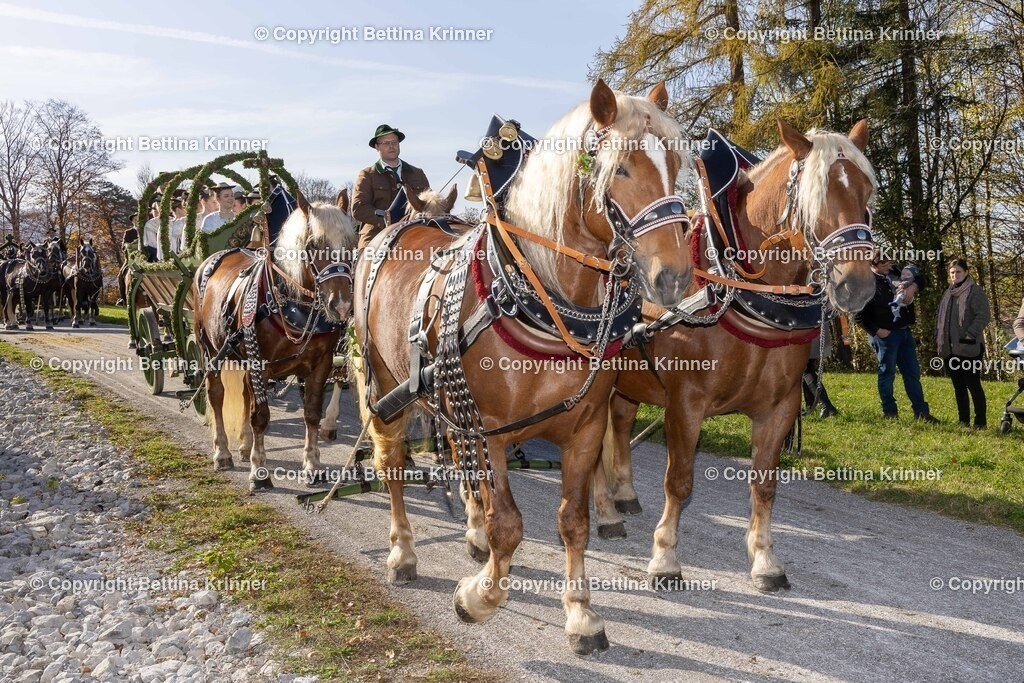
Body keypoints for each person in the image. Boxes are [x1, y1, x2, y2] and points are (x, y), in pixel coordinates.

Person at [853, 254, 938, 422]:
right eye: (883, 263)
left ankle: (921, 412)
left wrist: (913, 287)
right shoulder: (865, 283)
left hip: (905, 331)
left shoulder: (896, 272)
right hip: (885, 336)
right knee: (887, 374)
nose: (889, 265)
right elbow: (858, 316)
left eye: (889, 261)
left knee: (912, 373)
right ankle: (890, 412)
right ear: (873, 264)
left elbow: (921, 277)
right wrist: (877, 331)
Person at [352, 124, 430, 249]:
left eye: (394, 142)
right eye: (385, 143)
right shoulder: (367, 175)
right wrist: (384, 217)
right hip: (376, 233)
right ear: (377, 147)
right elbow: (358, 208)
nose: (391, 146)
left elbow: (429, 204)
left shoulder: (417, 173)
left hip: (416, 231)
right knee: (365, 256)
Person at [936, 259, 991, 428]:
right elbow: (940, 319)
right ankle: (963, 421)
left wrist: (970, 334)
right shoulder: (948, 294)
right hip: (950, 349)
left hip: (969, 348)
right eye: (952, 272)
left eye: (958, 272)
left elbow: (983, 315)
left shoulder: (975, 291)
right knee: (958, 387)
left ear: (966, 272)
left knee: (973, 385)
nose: (955, 275)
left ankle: (980, 422)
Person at [141, 196, 162, 261]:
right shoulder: (149, 224)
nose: (156, 212)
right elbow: (152, 243)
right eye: (154, 210)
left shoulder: (171, 220)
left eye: (157, 209)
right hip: (155, 253)